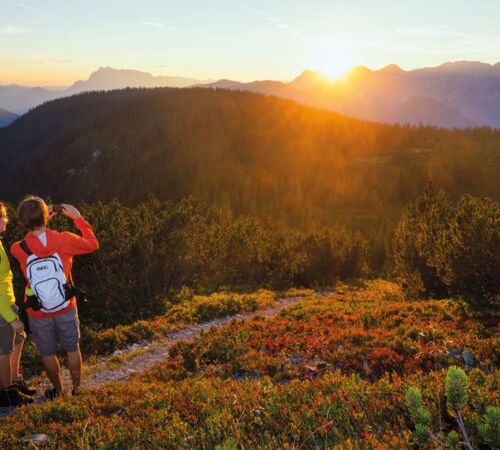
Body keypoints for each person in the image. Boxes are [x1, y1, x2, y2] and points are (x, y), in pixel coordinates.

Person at [11, 196, 98, 399]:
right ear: (45, 216)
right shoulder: (65, 239)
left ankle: (58, 390)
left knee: (48, 354)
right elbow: (93, 243)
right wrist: (78, 219)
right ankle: (77, 388)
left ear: (24, 222)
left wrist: (39, 220)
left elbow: (32, 239)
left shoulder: (18, 249)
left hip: (37, 311)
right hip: (66, 305)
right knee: (72, 348)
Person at [0, 202, 35, 407]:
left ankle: (13, 382)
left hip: (8, 303)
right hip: (3, 308)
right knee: (4, 351)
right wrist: (11, 319)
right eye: (3, 216)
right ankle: (6, 393)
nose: (7, 220)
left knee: (19, 339)